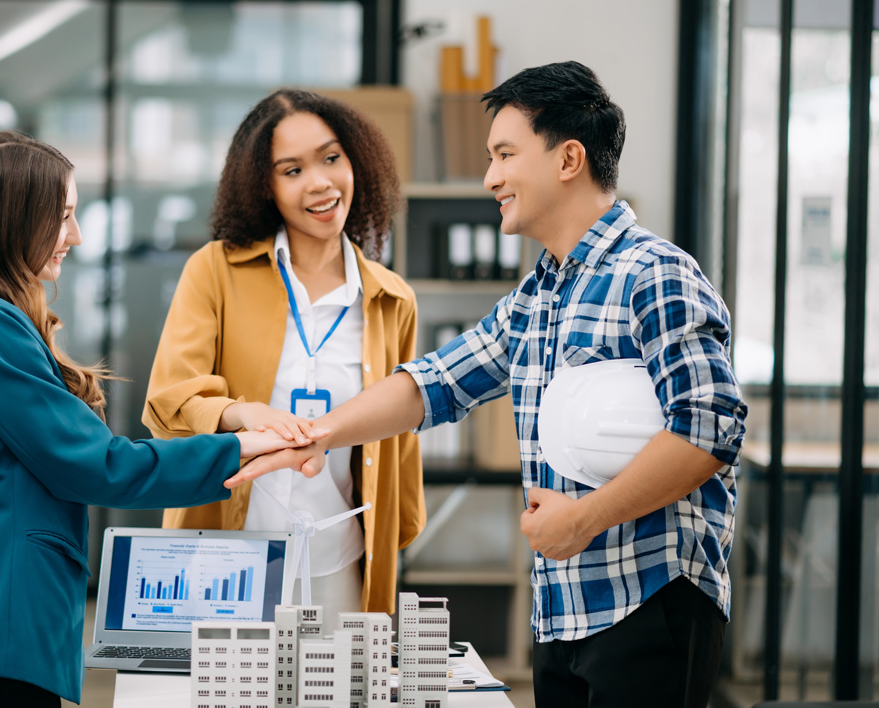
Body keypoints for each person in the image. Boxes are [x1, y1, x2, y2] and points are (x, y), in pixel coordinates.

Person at [229, 62, 749, 708]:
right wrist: (319, 435)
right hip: (562, 609)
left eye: (504, 154)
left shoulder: (655, 273)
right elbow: (432, 385)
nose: (490, 177)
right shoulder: (539, 294)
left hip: (648, 597)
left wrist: (583, 520)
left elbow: (708, 433)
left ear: (567, 159)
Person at [0, 131, 309, 708]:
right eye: (62, 217)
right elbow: (96, 466)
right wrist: (239, 447)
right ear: (12, 219)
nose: (75, 237)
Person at [143, 89, 425, 622]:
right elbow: (171, 398)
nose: (319, 182)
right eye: (291, 170)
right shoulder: (215, 271)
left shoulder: (392, 299)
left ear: (355, 161)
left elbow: (401, 438)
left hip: (340, 560)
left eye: (331, 158)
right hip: (224, 558)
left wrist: (396, 530)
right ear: (265, 187)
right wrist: (241, 413)